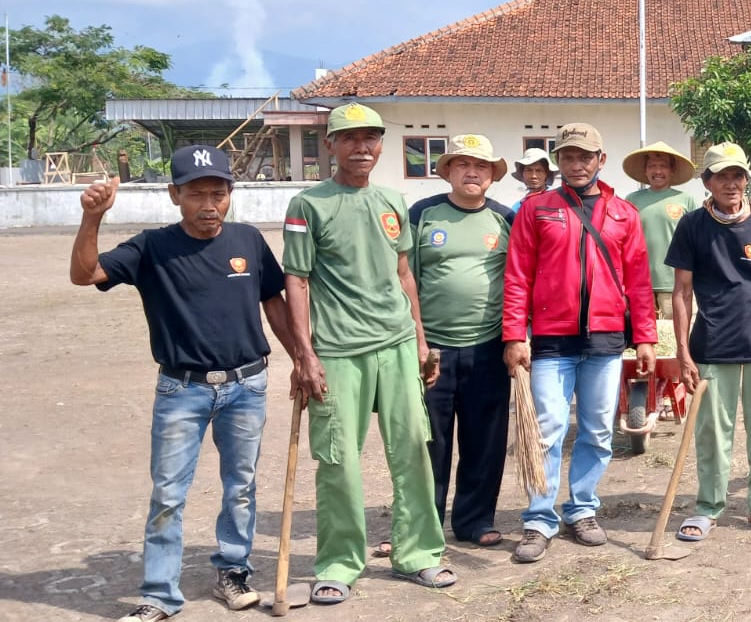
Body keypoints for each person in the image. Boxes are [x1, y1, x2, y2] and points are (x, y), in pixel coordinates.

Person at [71, 146, 297, 622]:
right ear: (175, 195)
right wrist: (93, 218)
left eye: (219, 193)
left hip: (246, 386)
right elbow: (85, 273)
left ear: (231, 195)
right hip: (182, 390)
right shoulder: (151, 247)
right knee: (169, 493)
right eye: (197, 194)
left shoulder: (248, 240)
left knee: (241, 486)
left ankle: (233, 572)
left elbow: (273, 302)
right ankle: (159, 594)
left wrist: (303, 357)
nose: (209, 204)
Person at [280, 102, 455, 605]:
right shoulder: (307, 205)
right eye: (350, 139)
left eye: (372, 138)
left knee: (413, 451)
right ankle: (338, 562)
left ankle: (419, 553)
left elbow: (404, 275)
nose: (363, 148)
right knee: (339, 461)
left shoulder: (392, 200)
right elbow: (297, 278)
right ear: (330, 145)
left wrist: (420, 338)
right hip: (337, 350)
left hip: (397, 345)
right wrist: (303, 354)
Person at [502, 122, 658, 563]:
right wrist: (515, 334)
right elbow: (516, 276)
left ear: (600, 160)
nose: (576, 164)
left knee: (596, 429)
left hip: (606, 340)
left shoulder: (624, 213)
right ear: (558, 160)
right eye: (568, 156)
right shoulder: (537, 209)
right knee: (548, 428)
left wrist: (645, 336)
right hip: (551, 339)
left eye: (584, 156)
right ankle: (538, 518)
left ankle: (583, 509)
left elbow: (639, 283)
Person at [663, 142, 751, 542]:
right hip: (713, 344)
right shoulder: (691, 226)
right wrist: (683, 351)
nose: (731, 183)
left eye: (737, 175)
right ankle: (708, 506)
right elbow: (681, 293)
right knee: (712, 430)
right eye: (721, 176)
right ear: (707, 182)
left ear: (746, 180)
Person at [409, 134, 516, 549]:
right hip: (430, 349)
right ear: (449, 170)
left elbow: (518, 280)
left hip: (488, 346)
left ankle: (474, 520)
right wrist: (416, 342)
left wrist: (513, 339)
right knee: (428, 441)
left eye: (482, 166)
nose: (473, 173)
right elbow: (406, 279)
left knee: (484, 439)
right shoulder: (423, 214)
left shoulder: (505, 218)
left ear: (491, 176)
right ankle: (426, 521)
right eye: (464, 165)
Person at [623, 141, 698, 319]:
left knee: (675, 337)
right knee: (642, 339)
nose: (657, 171)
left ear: (672, 170)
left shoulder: (685, 200)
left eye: (663, 166)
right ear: (645, 171)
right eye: (652, 166)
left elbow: (696, 241)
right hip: (640, 282)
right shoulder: (632, 200)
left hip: (675, 284)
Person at [509, 147, 553, 213]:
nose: (534, 176)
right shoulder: (517, 207)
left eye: (539, 171)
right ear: (522, 173)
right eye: (529, 170)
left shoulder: (556, 200)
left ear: (547, 173)